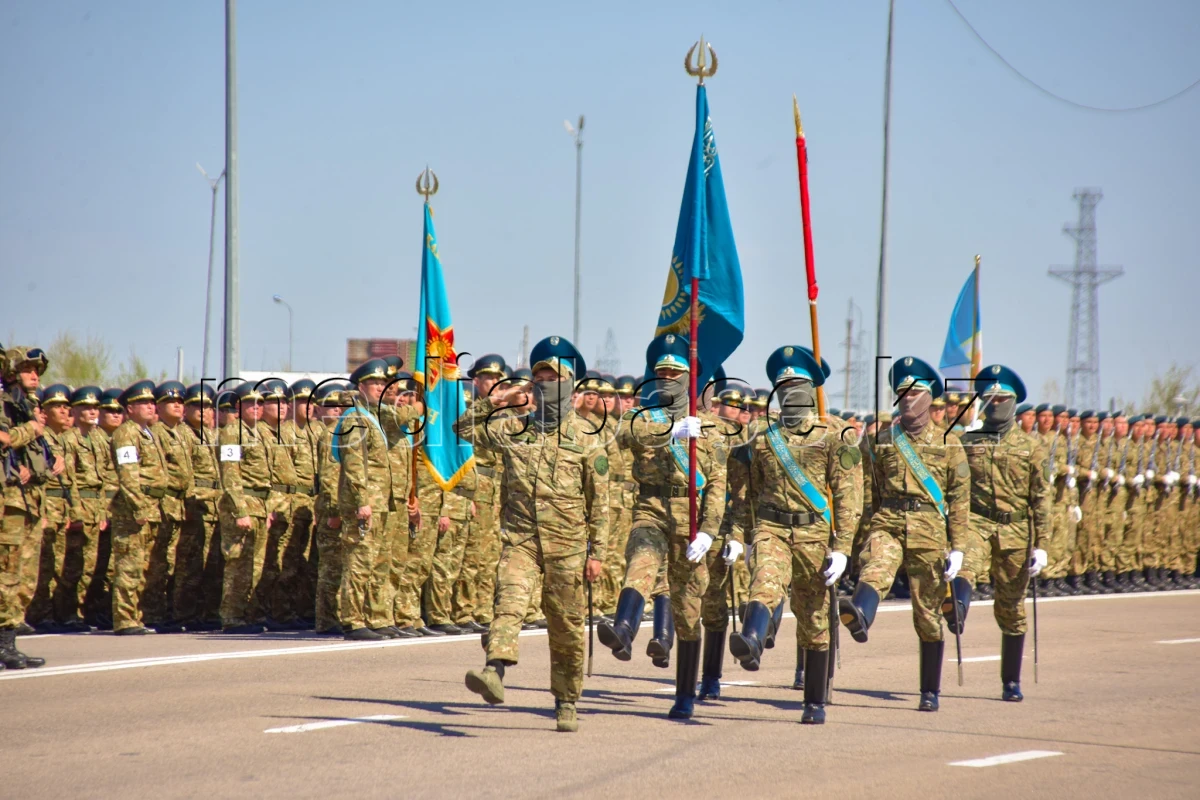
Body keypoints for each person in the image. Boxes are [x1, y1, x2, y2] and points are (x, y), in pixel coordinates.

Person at [459, 336, 609, 733]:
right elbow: (462, 428)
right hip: (521, 539)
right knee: (508, 603)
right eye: (539, 378)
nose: (544, 384)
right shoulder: (514, 428)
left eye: (553, 378)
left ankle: (566, 699)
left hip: (568, 546)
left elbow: (600, 502)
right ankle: (494, 671)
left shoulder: (587, 437)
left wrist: (597, 553)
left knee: (565, 628)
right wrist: (497, 400)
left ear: (569, 384)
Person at [598, 333, 729, 720]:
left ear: (690, 378)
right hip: (651, 509)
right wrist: (670, 431)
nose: (668, 379)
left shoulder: (712, 428)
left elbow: (718, 485)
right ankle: (624, 627)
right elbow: (622, 434)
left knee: (688, 611)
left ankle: (685, 693)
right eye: (662, 373)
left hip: (691, 519)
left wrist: (709, 531)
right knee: (642, 558)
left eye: (675, 373)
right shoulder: (643, 418)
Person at [729, 346, 862, 724]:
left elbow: (849, 494)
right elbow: (745, 490)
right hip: (771, 527)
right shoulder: (760, 434)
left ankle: (814, 701)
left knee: (814, 618)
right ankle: (751, 640)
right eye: (783, 386)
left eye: (796, 385)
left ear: (811, 388)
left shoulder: (835, 433)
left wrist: (843, 548)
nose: (789, 392)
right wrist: (742, 534)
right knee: (764, 583)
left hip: (814, 534)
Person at [839, 356, 969, 712]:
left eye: (914, 393)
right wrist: (860, 536)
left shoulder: (950, 443)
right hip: (889, 521)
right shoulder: (880, 441)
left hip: (930, 531)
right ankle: (860, 614)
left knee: (927, 613)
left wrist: (958, 547)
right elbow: (868, 490)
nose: (908, 399)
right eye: (903, 393)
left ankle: (929, 690)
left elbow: (960, 499)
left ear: (929, 397)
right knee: (877, 565)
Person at [951, 366, 1050, 702]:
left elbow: (1041, 498)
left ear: (1013, 402)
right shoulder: (968, 441)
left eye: (1001, 399)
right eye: (989, 399)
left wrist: (1042, 546)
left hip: (1016, 530)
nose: (994, 404)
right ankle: (956, 609)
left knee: (1010, 608)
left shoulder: (1031, 447)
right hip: (976, 522)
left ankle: (1011, 680)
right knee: (965, 568)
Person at [109, 380, 169, 636]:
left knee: (141, 566)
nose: (150, 406)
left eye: (151, 402)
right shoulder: (126, 433)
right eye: (143, 402)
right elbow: (128, 475)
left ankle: (135, 616)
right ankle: (124, 619)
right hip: (133, 510)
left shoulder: (147, 433)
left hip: (150, 505)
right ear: (130, 408)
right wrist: (139, 507)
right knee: (129, 565)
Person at [60, 386, 111, 632]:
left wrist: (103, 511)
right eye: (86, 407)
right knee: (73, 565)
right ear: (75, 410)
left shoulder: (99, 438)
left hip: (96, 506)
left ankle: (83, 612)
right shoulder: (69, 439)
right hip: (79, 504)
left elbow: (105, 477)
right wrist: (75, 512)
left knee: (91, 566)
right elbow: (68, 479)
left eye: (95, 407)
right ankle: (67, 614)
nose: (92, 411)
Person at [145, 381, 193, 632]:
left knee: (174, 561)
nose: (177, 405)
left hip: (180, 503)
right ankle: (153, 613)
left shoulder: (183, 433)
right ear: (159, 407)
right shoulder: (156, 433)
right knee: (158, 560)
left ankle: (171, 612)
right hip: (164, 502)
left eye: (180, 401)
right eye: (170, 401)